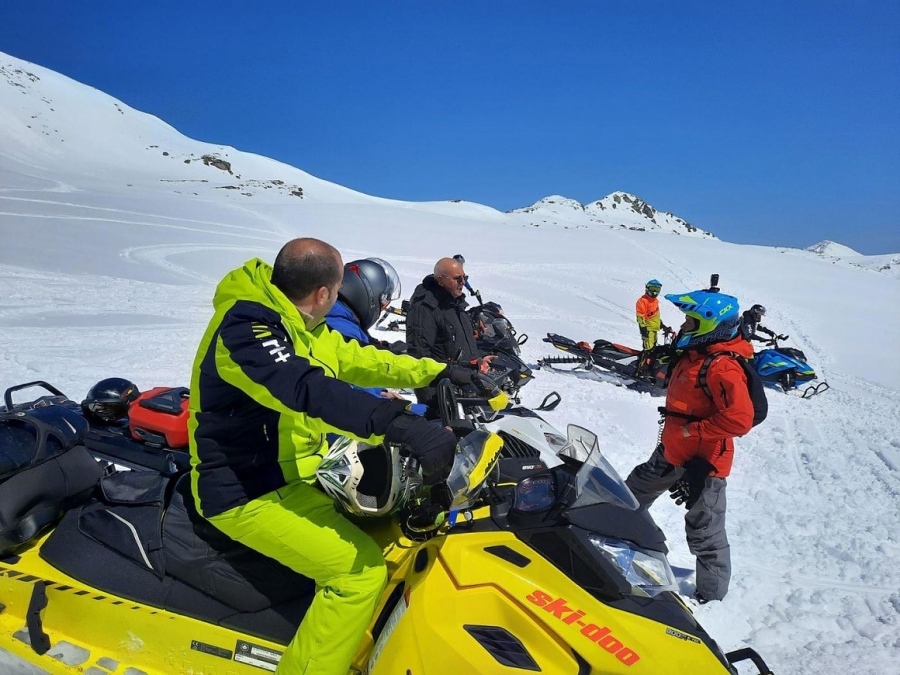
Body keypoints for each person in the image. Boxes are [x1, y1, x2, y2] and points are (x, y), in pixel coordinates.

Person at [188, 238, 478, 675]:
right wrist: (399, 423)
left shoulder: (297, 323)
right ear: (323, 293)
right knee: (357, 576)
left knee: (394, 533)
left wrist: (440, 371)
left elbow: (362, 360)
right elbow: (307, 389)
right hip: (244, 492)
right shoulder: (248, 328)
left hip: (294, 477)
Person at [624, 289, 755, 603]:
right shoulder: (696, 353)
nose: (683, 325)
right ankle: (608, 545)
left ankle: (711, 598)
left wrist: (694, 431)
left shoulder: (722, 366)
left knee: (704, 531)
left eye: (690, 320)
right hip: (671, 453)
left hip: (703, 465)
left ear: (710, 325)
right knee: (627, 497)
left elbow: (739, 420)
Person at [405, 256, 494, 411]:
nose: (463, 283)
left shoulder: (454, 303)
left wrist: (478, 358)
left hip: (464, 389)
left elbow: (457, 342)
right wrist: (453, 375)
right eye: (458, 279)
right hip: (440, 395)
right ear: (441, 280)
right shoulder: (425, 308)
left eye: (465, 278)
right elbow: (420, 357)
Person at [635, 279, 672, 376]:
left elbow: (655, 316)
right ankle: (639, 371)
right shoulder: (643, 301)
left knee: (653, 350)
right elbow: (640, 317)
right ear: (647, 288)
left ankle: (649, 369)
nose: (655, 292)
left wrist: (663, 326)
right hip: (648, 330)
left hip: (654, 329)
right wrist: (643, 330)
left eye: (657, 289)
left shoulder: (654, 301)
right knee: (647, 350)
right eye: (652, 289)